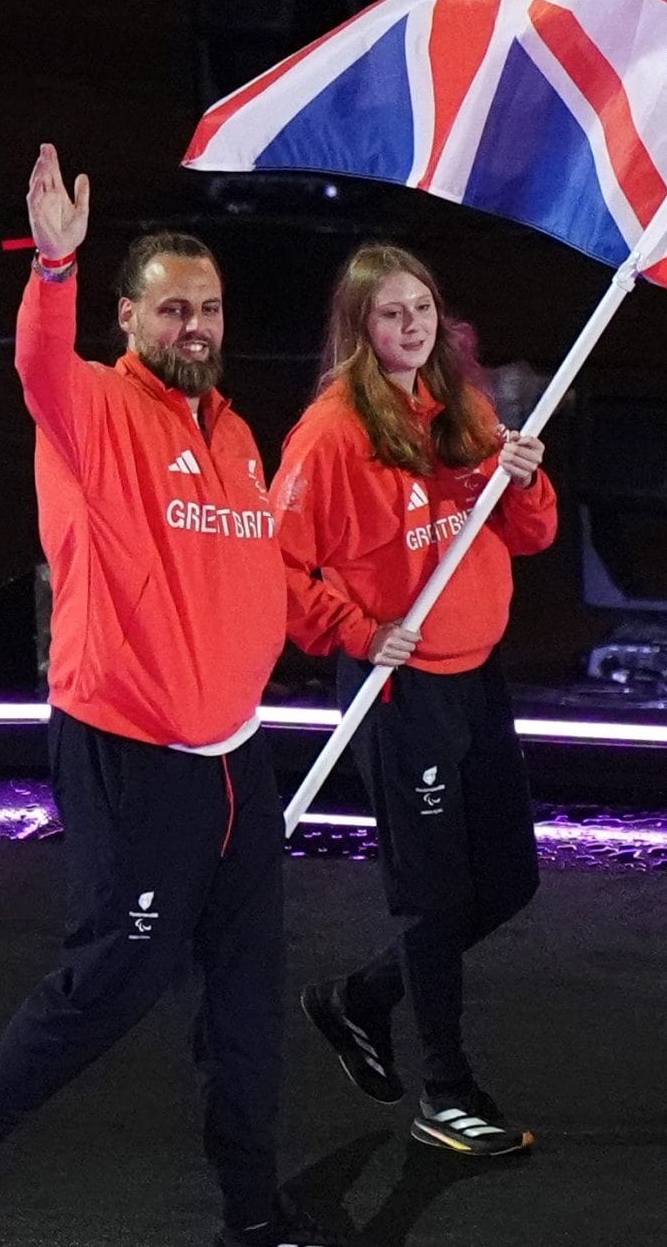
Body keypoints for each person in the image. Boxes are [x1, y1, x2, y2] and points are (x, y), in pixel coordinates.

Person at [0, 145, 346, 1247]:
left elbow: (258, 580)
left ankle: (253, 1216)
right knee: (114, 981)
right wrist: (55, 269)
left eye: (211, 309)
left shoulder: (234, 437)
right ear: (130, 323)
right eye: (174, 309)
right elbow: (39, 367)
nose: (196, 326)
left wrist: (366, 617)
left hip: (237, 760)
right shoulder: (93, 410)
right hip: (130, 751)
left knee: (244, 1006)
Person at [271, 243, 554, 1159]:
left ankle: (359, 998)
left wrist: (524, 475)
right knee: (433, 898)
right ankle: (447, 1089)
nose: (412, 326)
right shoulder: (330, 433)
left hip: (476, 672)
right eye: (392, 314)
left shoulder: (462, 405)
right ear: (360, 328)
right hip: (400, 684)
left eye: (422, 308)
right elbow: (275, 568)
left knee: (508, 879)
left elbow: (533, 532)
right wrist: (353, 629)